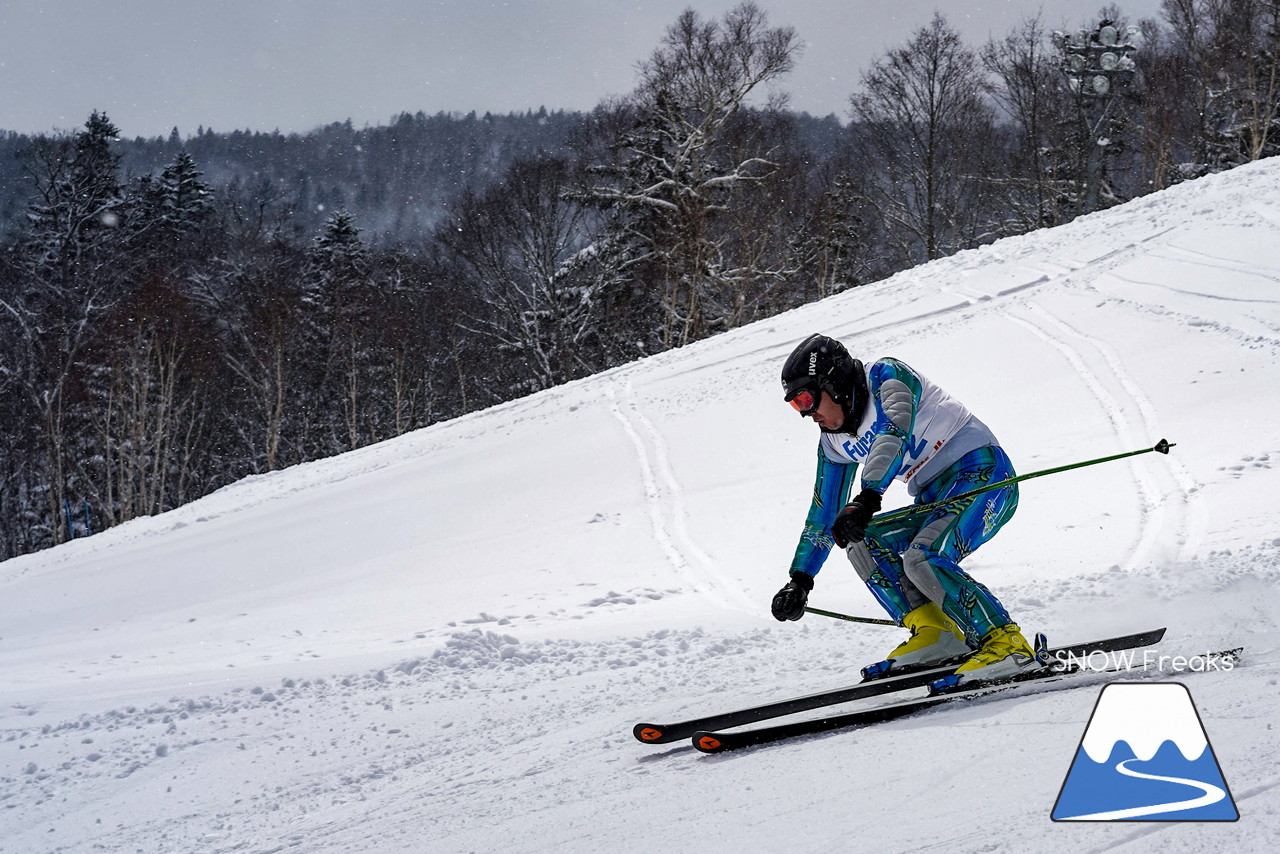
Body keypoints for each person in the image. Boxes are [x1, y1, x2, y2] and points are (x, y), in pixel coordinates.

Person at [770, 333, 1035, 683]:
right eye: (795, 406)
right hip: (935, 498)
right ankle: (936, 634)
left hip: (984, 476)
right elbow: (822, 514)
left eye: (806, 399)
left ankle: (1007, 644)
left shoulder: (886, 375)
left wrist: (867, 497)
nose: (806, 414)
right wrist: (800, 579)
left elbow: (893, 431)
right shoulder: (833, 442)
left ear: (832, 384)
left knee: (921, 556)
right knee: (860, 540)